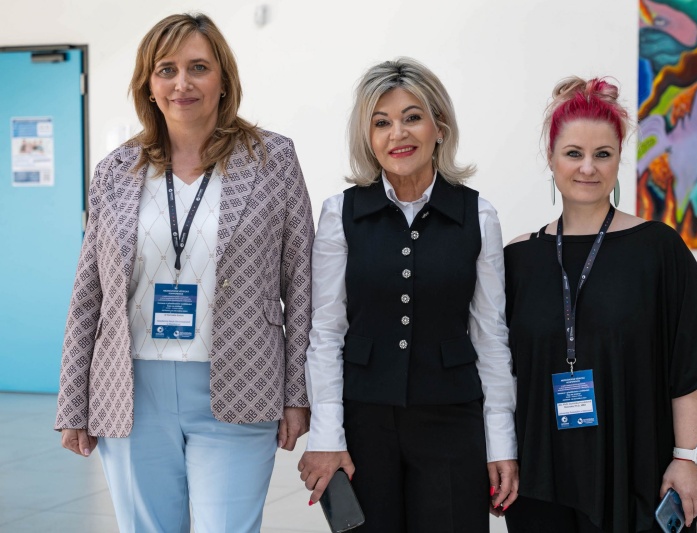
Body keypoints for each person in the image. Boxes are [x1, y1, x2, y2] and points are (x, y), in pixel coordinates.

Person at [54, 13, 314, 533]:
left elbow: (302, 283)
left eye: (198, 67)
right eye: (166, 70)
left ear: (224, 80)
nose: (182, 83)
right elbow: (88, 296)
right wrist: (72, 401)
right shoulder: (115, 171)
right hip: (130, 390)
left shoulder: (273, 160)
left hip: (242, 380)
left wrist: (297, 394)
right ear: (148, 86)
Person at [298, 57, 518, 532]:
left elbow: (490, 335)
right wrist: (326, 435)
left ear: (439, 126)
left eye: (412, 117)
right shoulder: (340, 214)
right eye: (381, 123)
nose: (397, 134)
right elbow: (327, 330)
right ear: (367, 137)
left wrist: (501, 443)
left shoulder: (479, 216)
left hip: (452, 423)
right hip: (363, 424)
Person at [503, 76, 697, 533]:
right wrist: (500, 456)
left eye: (602, 154)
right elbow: (498, 371)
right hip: (541, 480)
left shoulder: (658, 250)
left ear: (619, 157)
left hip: (636, 473)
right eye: (573, 153)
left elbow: (692, 362)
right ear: (550, 157)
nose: (588, 167)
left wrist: (688, 458)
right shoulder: (518, 259)